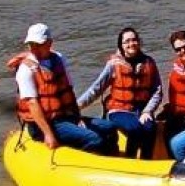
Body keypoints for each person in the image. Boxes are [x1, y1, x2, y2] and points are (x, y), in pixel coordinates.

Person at [8, 23, 110, 154]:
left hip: (63, 117)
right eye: (31, 44)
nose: (34, 48)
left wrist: (77, 118)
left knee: (109, 128)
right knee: (94, 139)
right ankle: (80, 162)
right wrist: (48, 134)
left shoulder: (59, 59)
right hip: (43, 125)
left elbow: (68, 91)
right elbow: (32, 104)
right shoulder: (26, 69)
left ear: (49, 43)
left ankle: (114, 161)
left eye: (38, 44)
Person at [77, 27, 162, 158]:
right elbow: (96, 89)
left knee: (150, 128)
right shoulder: (113, 64)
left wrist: (148, 110)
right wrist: (76, 107)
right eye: (127, 41)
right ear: (121, 45)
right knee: (135, 129)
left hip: (141, 110)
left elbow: (157, 91)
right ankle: (130, 160)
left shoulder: (149, 62)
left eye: (134, 40)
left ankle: (146, 161)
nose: (131, 44)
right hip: (118, 110)